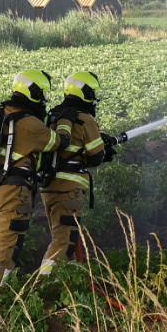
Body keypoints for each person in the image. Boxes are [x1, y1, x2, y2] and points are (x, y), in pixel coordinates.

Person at [0, 68, 71, 298]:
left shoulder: (1, 113)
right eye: (42, 94)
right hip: (12, 193)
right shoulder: (30, 123)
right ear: (34, 93)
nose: (44, 100)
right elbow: (58, 142)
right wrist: (65, 121)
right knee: (6, 250)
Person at [38, 69, 118, 275]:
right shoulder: (84, 118)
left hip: (48, 188)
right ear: (85, 93)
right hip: (69, 190)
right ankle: (45, 285)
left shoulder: (54, 115)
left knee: (61, 239)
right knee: (64, 243)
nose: (94, 98)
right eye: (92, 93)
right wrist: (105, 150)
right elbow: (96, 156)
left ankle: (63, 281)